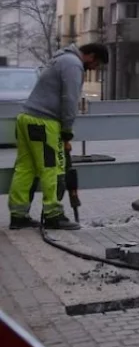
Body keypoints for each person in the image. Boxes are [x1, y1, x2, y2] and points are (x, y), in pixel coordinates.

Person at [8, 43, 108, 231]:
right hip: (44, 123)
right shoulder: (73, 64)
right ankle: (53, 215)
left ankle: (18, 215)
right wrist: (67, 131)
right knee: (52, 168)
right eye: (98, 64)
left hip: (26, 118)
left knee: (25, 168)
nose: (95, 68)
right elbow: (70, 99)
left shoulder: (60, 59)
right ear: (91, 56)